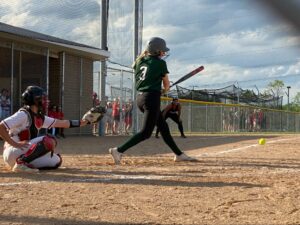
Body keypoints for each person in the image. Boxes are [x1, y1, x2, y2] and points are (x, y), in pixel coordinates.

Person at [108, 37, 197, 164]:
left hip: (140, 98)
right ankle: (118, 150)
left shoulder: (139, 61)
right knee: (146, 132)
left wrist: (158, 88)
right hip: (151, 99)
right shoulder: (160, 63)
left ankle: (179, 154)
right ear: (156, 51)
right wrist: (165, 89)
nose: (163, 53)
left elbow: (147, 77)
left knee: (163, 127)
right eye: (162, 51)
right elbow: (166, 85)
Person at [0, 85, 89, 173]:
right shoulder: (23, 114)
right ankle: (21, 163)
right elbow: (1, 127)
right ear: (35, 100)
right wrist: (14, 144)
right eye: (43, 98)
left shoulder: (39, 117)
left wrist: (86, 122)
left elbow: (63, 123)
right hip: (12, 151)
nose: (46, 101)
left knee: (56, 160)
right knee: (49, 140)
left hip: (22, 152)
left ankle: (24, 163)